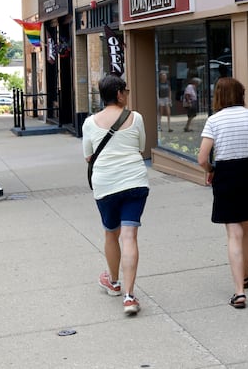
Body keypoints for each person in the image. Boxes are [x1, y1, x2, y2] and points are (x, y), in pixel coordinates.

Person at [197, 77, 248, 309]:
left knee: (233, 235)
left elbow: (202, 158)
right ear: (240, 95)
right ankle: (245, 273)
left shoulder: (214, 121)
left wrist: (210, 170)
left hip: (226, 174)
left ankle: (239, 292)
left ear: (219, 96)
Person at [82, 75, 150, 316]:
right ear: (119, 94)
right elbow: (142, 147)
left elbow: (88, 156)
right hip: (135, 181)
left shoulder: (90, 122)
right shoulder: (136, 117)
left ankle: (113, 281)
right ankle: (130, 297)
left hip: (106, 184)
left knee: (112, 233)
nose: (127, 94)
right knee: (129, 236)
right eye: (126, 91)